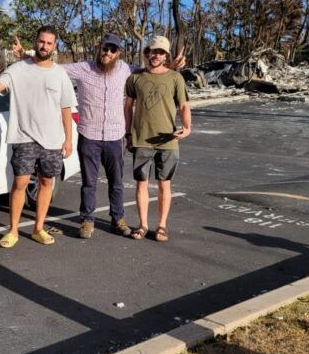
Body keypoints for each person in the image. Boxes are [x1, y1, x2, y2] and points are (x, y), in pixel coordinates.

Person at [13, 33, 185, 240]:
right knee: (89, 182)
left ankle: (117, 219)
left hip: (114, 137)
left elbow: (153, 72)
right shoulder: (83, 68)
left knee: (116, 182)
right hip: (89, 136)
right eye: (105, 48)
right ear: (99, 48)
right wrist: (25, 55)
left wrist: (173, 66)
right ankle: (87, 220)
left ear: (118, 53)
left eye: (113, 50)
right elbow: (50, 66)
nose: (108, 53)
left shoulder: (125, 69)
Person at [0, 25, 76, 248]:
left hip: (52, 140)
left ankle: (38, 228)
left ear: (55, 46)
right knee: (21, 182)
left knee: (46, 182)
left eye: (49, 43)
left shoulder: (59, 74)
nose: (44, 46)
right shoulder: (17, 69)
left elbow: (66, 108)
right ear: (36, 42)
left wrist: (68, 139)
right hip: (24, 136)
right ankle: (13, 230)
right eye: (41, 41)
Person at [123, 35, 191, 242]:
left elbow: (184, 106)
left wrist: (187, 128)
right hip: (142, 139)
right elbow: (128, 108)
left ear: (165, 55)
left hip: (168, 140)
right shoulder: (135, 78)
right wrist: (128, 133)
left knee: (164, 184)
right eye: (153, 51)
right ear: (147, 53)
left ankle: (161, 226)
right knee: (141, 183)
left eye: (161, 52)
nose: (156, 55)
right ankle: (143, 225)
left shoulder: (175, 78)